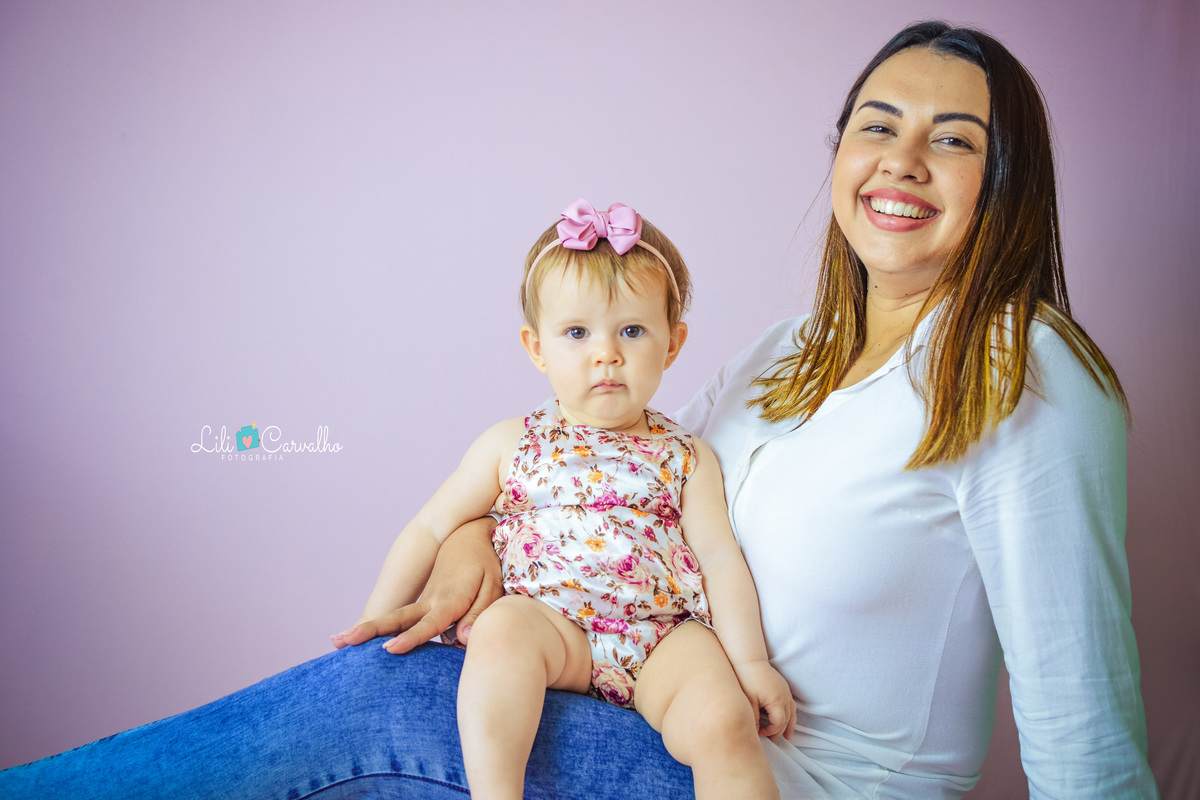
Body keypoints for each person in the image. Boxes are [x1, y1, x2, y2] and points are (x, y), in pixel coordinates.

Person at [0, 21, 1157, 800]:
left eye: (954, 140)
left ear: (1007, 184)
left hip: (781, 771)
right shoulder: (792, 350)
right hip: (645, 697)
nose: (902, 160)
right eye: (878, 123)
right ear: (842, 149)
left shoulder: (1026, 375)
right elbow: (613, 459)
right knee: (406, 683)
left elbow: (1083, 719)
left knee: (371, 706)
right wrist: (467, 533)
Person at [335, 197, 794, 799]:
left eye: (632, 330)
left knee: (724, 720)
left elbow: (719, 559)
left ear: (673, 343)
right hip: (554, 628)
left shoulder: (687, 455)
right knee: (500, 632)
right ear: (536, 348)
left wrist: (751, 664)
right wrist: (373, 625)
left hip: (662, 638)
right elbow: (429, 527)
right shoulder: (511, 443)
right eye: (576, 333)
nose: (606, 353)